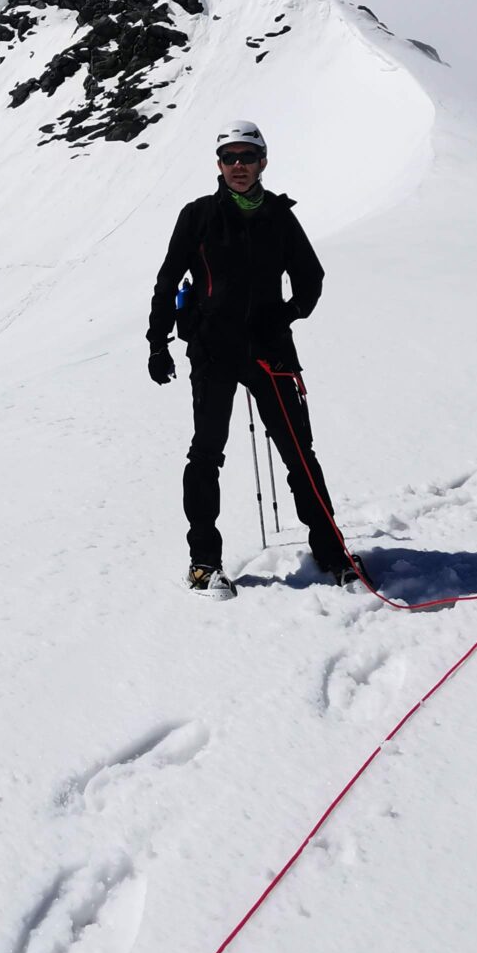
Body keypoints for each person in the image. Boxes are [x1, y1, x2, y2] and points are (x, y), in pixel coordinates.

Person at [147, 120, 356, 597]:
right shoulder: (197, 216)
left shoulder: (279, 217)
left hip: (269, 352)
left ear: (263, 161)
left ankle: (331, 552)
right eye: (229, 158)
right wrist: (157, 342)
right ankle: (204, 563)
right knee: (206, 454)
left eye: (247, 157)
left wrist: (285, 316)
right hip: (214, 350)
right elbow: (167, 280)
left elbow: (310, 277)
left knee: (300, 454)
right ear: (218, 165)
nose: (238, 166)